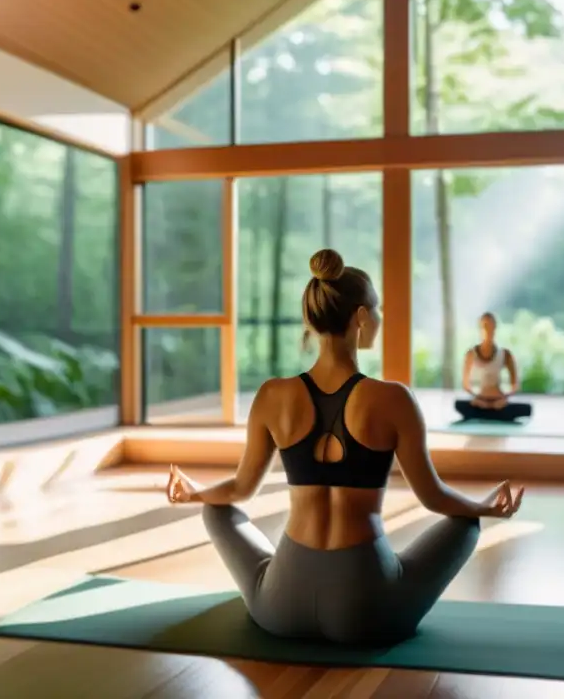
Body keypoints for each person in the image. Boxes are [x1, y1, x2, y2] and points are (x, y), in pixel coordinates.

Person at [165, 249, 524, 646]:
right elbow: (435, 498)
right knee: (465, 524)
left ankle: (278, 576)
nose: (380, 318)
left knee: (217, 512)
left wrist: (196, 493)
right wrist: (484, 506)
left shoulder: (271, 396)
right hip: (367, 612)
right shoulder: (394, 399)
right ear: (361, 318)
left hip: (280, 609)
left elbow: (239, 490)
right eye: (378, 309)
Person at [455, 312, 533, 423]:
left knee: (526, 408)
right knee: (459, 405)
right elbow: (466, 385)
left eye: (491, 326)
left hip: (499, 401)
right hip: (479, 401)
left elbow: (515, 385)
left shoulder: (505, 354)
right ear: (480, 329)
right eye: (485, 326)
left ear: (495, 328)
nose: (488, 330)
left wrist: (504, 398)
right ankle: (489, 413)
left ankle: (485, 414)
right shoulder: (471, 354)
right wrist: (476, 398)